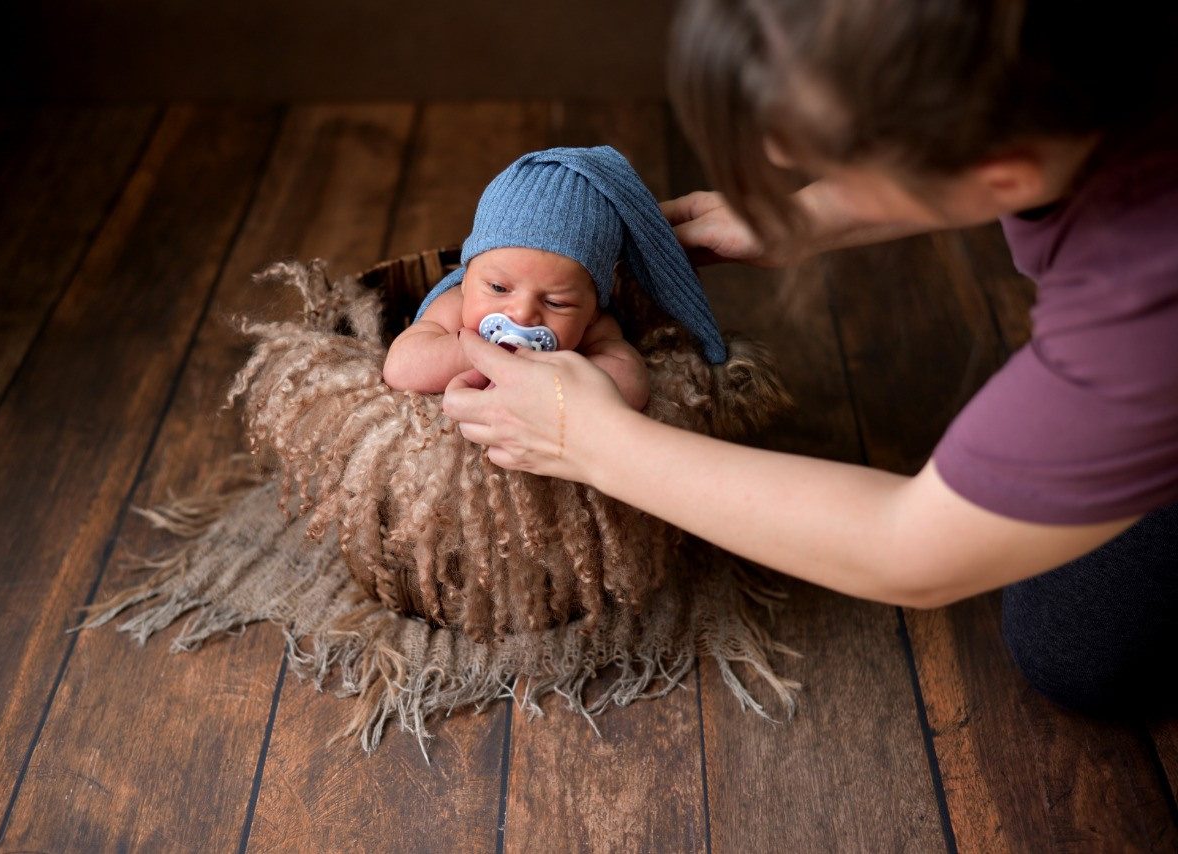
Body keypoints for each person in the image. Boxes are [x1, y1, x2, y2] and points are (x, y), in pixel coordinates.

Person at [440, 0, 1178, 716]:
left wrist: (593, 441)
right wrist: (805, 214)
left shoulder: (1143, 309)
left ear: (1001, 171)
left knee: (1073, 647)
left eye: (837, 152)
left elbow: (910, 547)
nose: (782, 157)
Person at [383, 145, 733, 412]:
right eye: (499, 288)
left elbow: (630, 386)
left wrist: (557, 377)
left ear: (594, 306)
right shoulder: (456, 307)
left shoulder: (593, 328)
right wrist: (474, 350)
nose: (521, 314)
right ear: (467, 272)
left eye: (556, 302)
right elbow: (400, 369)